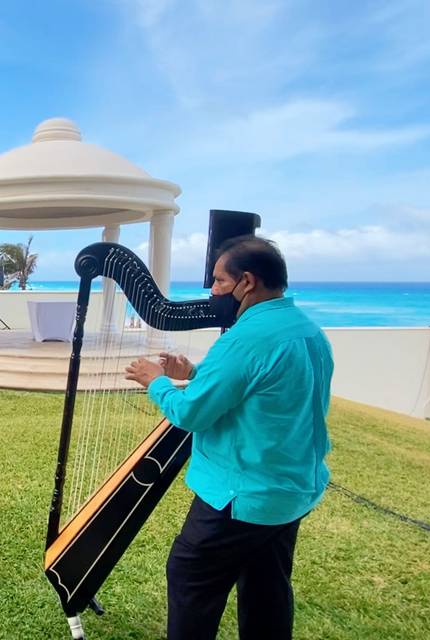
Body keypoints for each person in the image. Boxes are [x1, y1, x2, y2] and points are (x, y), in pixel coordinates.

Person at [124, 237, 333, 640]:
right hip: (291, 492)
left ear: (247, 282)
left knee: (190, 575)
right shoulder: (307, 329)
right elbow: (263, 388)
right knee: (266, 587)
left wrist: (157, 382)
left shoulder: (243, 339)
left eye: (220, 281)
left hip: (242, 495)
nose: (213, 291)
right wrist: (195, 373)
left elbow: (191, 414)